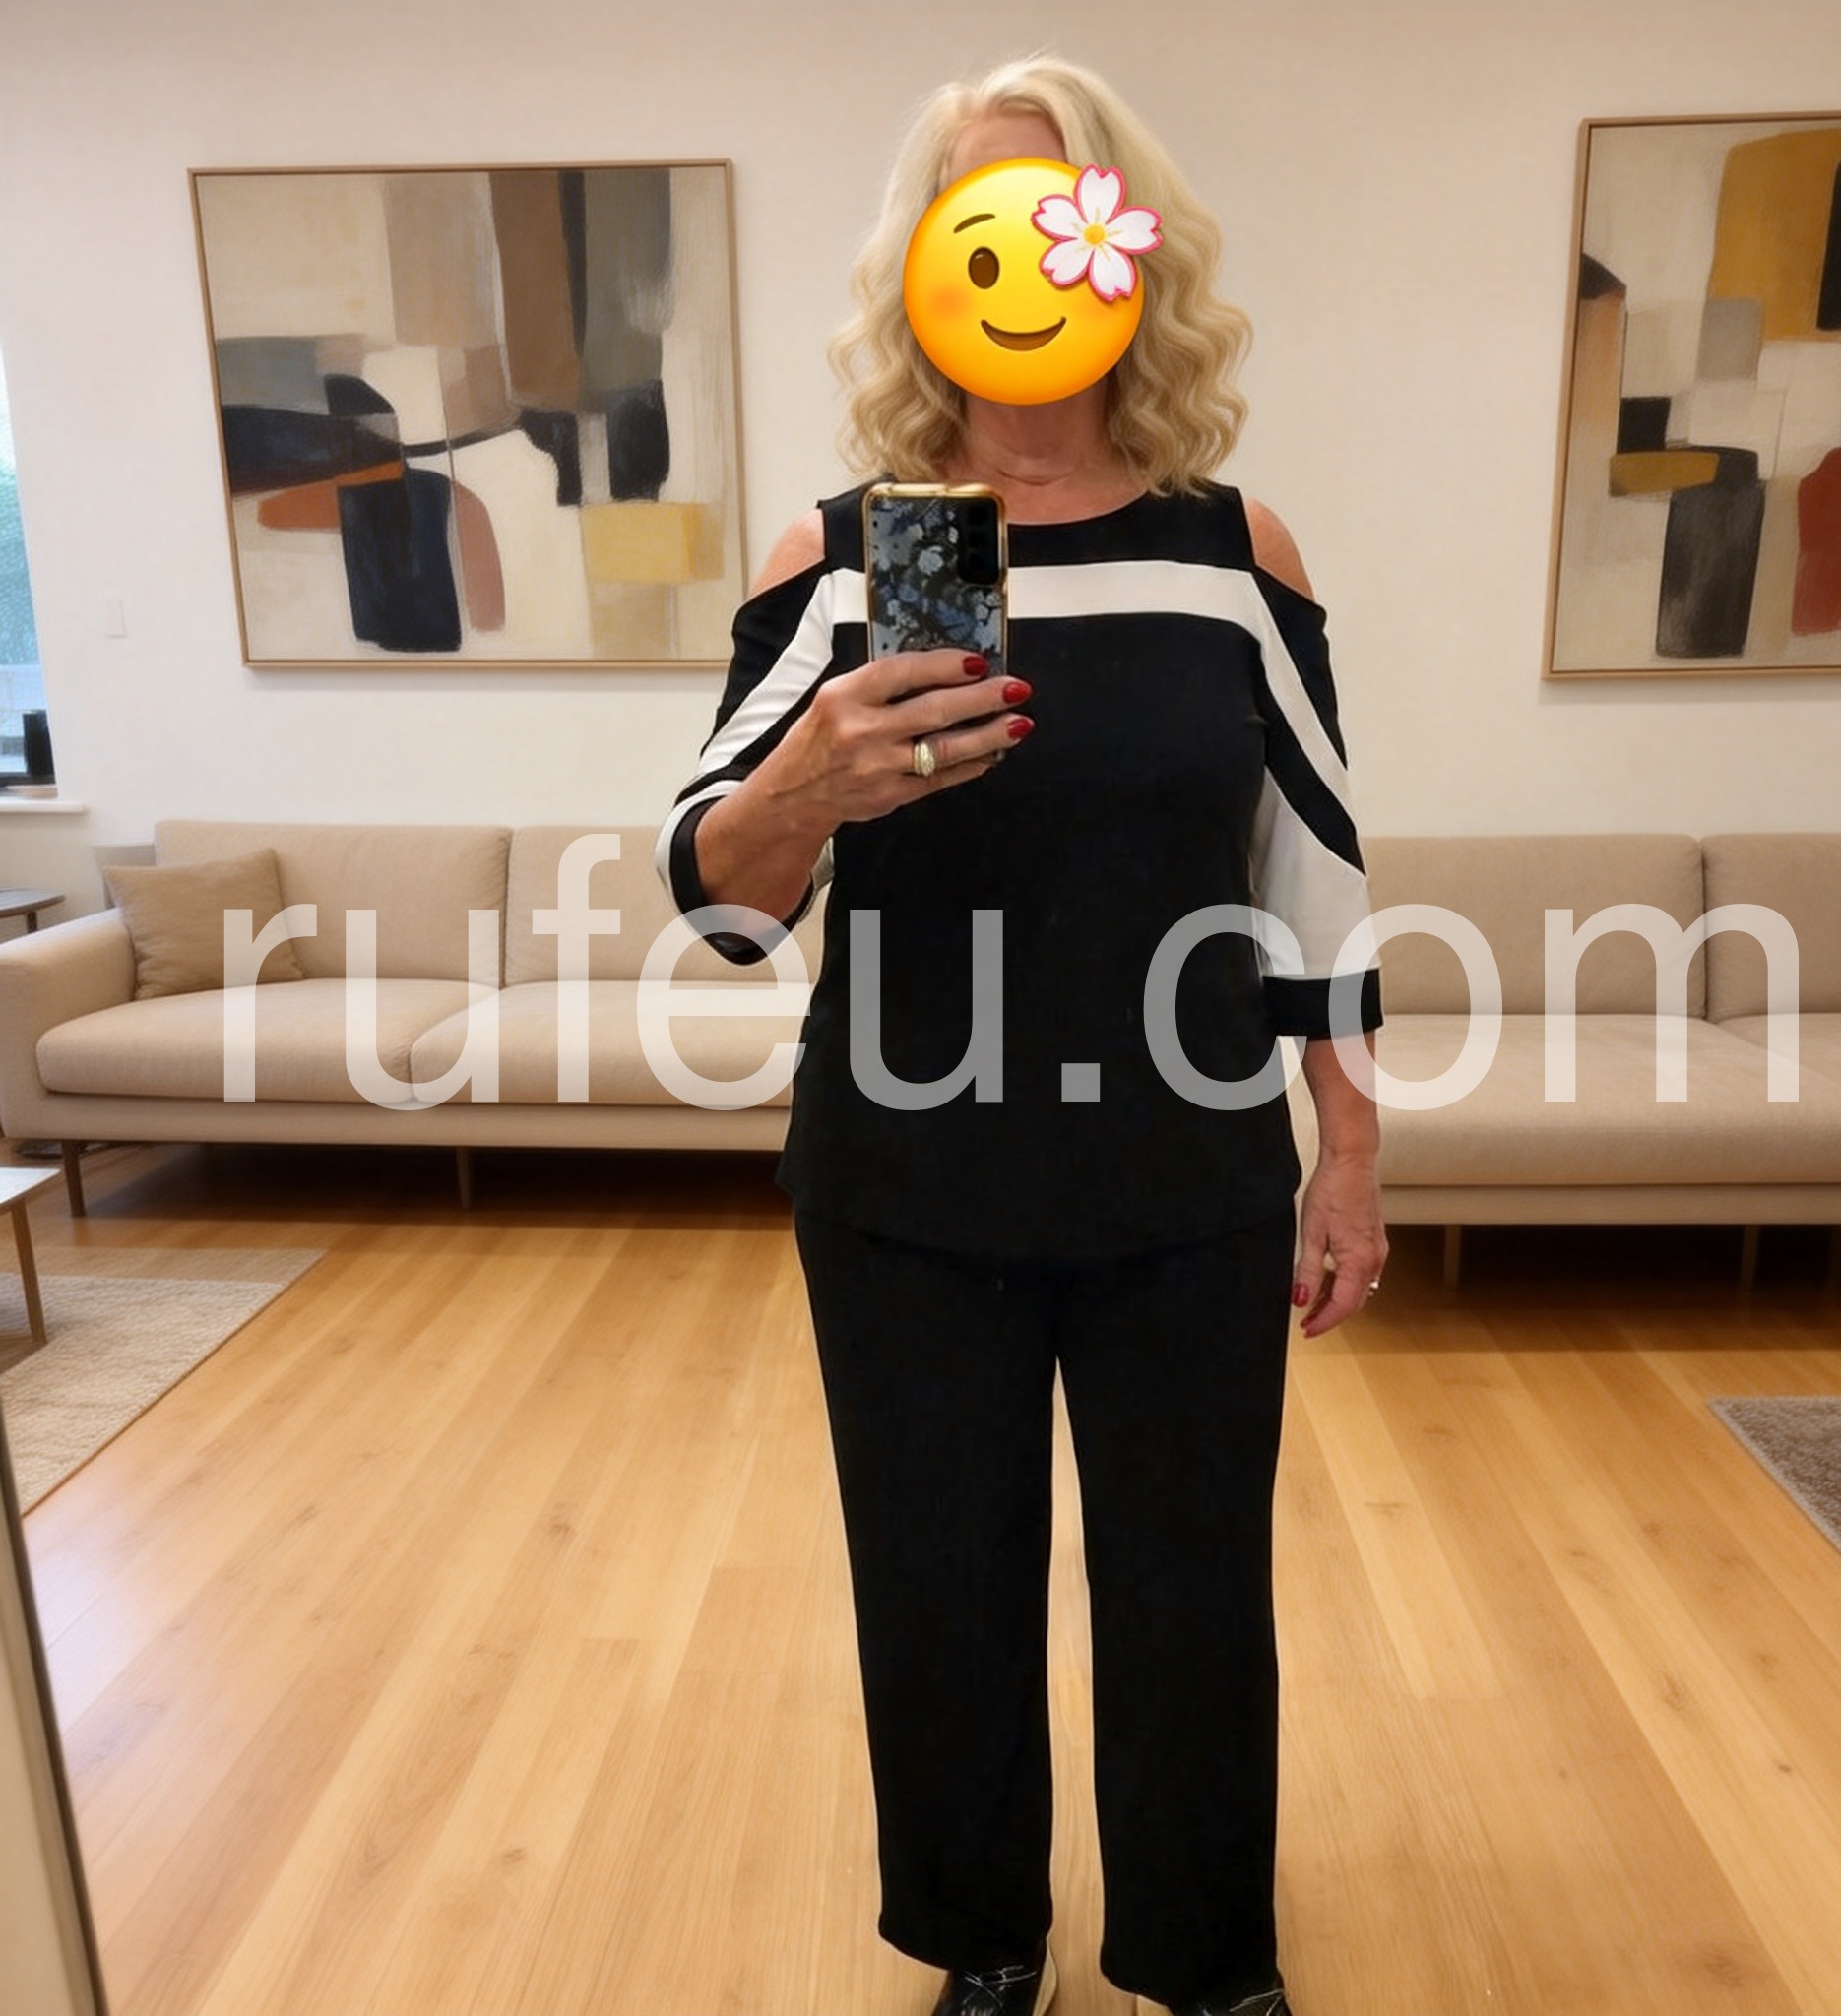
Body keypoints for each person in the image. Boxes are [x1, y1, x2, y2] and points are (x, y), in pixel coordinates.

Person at [659, 54, 1385, 2016]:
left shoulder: (1238, 556)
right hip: (910, 1180)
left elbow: (1312, 868)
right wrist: (812, 778)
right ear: (925, 266)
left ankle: (1204, 1955)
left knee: (1191, 1592)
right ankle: (985, 1942)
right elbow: (720, 895)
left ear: (1131, 258)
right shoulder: (832, 566)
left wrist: (1351, 1154)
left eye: (1069, 221)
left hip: (1185, 1174)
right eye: (981, 225)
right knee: (939, 1590)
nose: (1030, 265)